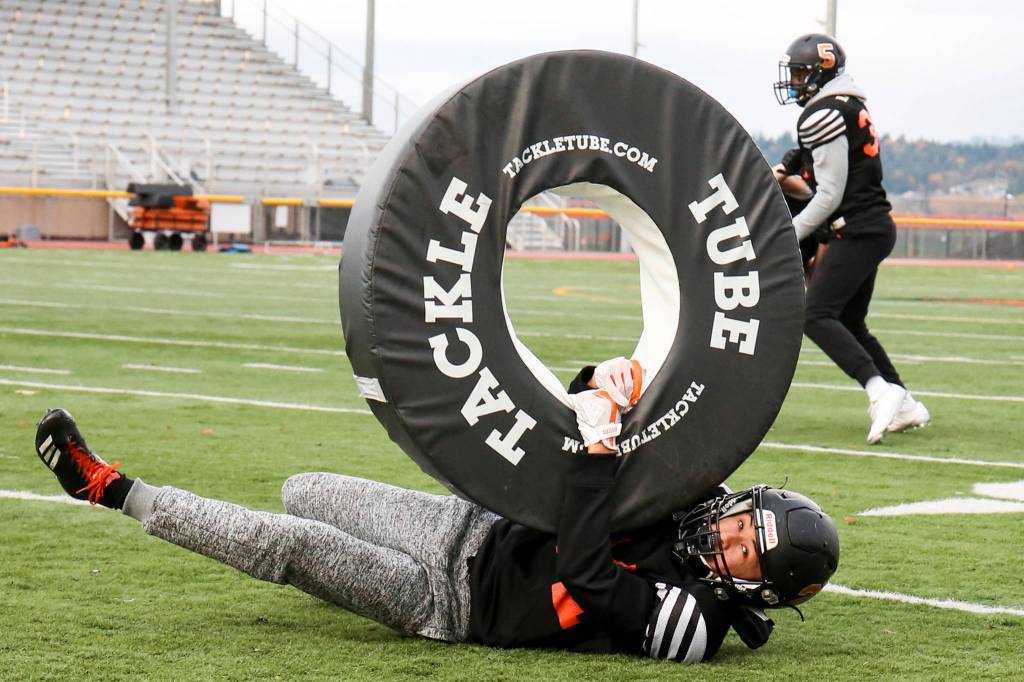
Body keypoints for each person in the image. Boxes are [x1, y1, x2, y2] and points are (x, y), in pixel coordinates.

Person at [33, 358, 839, 664]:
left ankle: (108, 486)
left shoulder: (694, 624)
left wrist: (596, 455)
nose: (718, 540)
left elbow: (591, 576)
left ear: (753, 589)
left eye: (739, 555)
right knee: (302, 485)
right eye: (736, 526)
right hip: (469, 528)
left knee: (293, 544)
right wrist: (605, 382)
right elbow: (608, 422)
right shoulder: (697, 496)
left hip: (456, 605)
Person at [772, 33, 930, 444]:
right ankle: (906, 403)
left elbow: (829, 195)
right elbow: (820, 175)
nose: (793, 82)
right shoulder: (846, 105)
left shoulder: (823, 112)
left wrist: (785, 235)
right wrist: (787, 168)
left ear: (821, 73)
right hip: (867, 225)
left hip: (856, 229)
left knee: (815, 314)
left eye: (800, 73)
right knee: (849, 320)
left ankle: (881, 391)